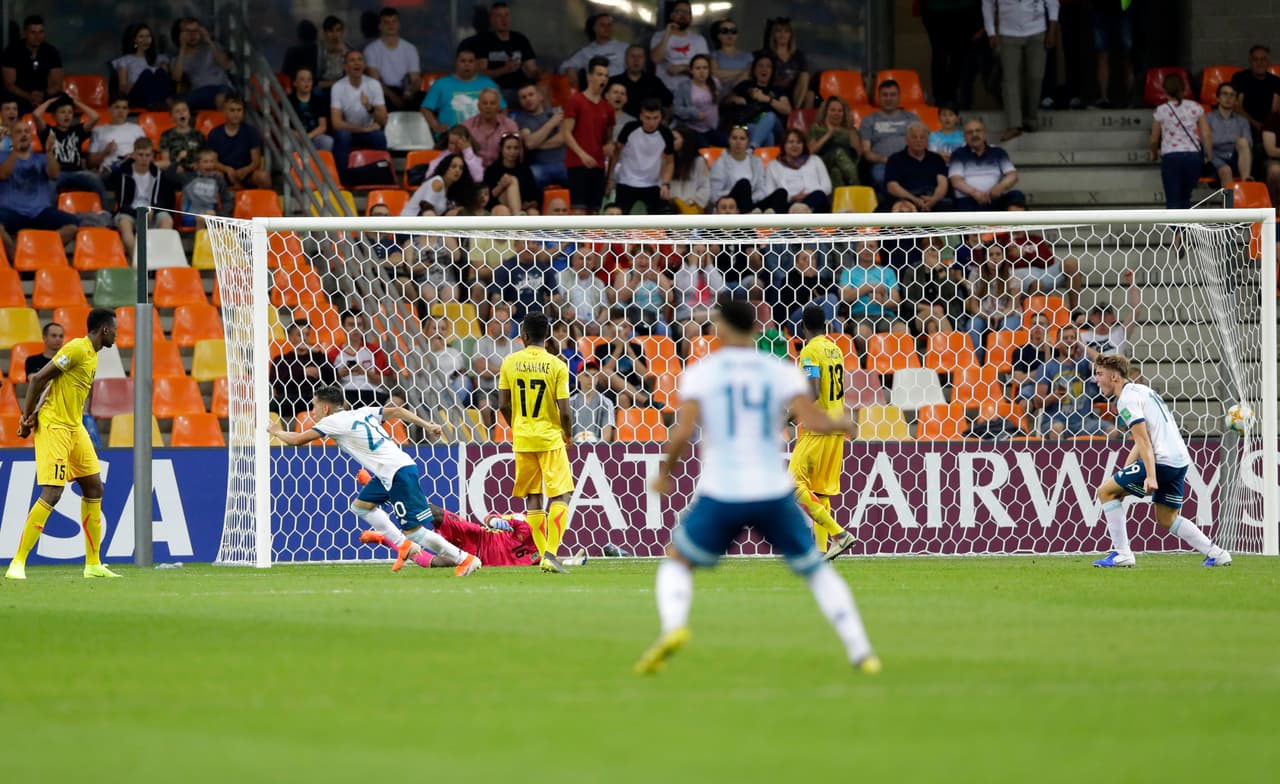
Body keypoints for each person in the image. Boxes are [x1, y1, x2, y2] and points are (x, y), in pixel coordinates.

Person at [634, 296, 878, 675]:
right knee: (816, 571)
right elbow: (814, 417)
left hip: (723, 490)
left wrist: (665, 472)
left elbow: (682, 432)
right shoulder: (778, 370)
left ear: (723, 328)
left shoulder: (703, 372)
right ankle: (862, 651)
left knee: (677, 561)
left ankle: (674, 627)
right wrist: (840, 424)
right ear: (754, 328)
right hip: (771, 489)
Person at [266, 385, 482, 576]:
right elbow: (397, 410)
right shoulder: (364, 412)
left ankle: (465, 559)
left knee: (415, 531)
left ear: (325, 408)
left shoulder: (332, 421)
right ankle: (404, 546)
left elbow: (296, 440)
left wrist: (277, 431)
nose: (311, 411)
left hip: (396, 472)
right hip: (389, 472)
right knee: (361, 507)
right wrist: (427, 425)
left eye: (313, 406)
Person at [6, 308, 120, 581]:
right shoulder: (78, 349)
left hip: (74, 426)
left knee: (94, 486)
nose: (117, 334)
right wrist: (26, 417)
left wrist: (36, 408)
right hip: (55, 426)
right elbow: (38, 378)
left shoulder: (91, 355)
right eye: (114, 329)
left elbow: (53, 382)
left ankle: (93, 565)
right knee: (53, 492)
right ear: (104, 329)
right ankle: (17, 562)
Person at [1090, 354, 1232, 569]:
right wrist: (1130, 468)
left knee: (1106, 492)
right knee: (1167, 518)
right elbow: (1144, 435)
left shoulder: (1126, 399)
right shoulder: (1143, 391)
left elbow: (1144, 441)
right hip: (1179, 459)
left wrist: (1150, 475)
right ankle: (1217, 553)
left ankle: (1122, 553)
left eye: (1100, 374)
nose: (1096, 379)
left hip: (1161, 461)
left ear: (1114, 377)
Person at [497, 312, 574, 574]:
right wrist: (568, 433)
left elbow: (503, 405)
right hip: (551, 437)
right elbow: (564, 410)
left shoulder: (509, 362)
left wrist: (516, 426)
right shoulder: (557, 366)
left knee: (533, 497)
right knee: (561, 494)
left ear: (524, 336)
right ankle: (551, 553)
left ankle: (542, 555)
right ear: (546, 336)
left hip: (523, 438)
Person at [788, 305, 857, 560]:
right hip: (836, 427)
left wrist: (787, 416)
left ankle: (839, 534)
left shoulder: (809, 351)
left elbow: (813, 391)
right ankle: (820, 551)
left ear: (803, 326)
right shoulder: (835, 349)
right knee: (818, 492)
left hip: (816, 427)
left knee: (793, 484)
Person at [359, 504, 544, 568]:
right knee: (434, 512)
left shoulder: (541, 556)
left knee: (433, 563)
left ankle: (385, 539)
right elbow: (490, 517)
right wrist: (494, 521)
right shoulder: (525, 524)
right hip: (474, 536)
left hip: (479, 560)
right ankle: (387, 496)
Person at [982, 0, 1059, 141]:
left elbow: (1053, 3)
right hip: (1008, 33)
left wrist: (1052, 29)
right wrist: (991, 32)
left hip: (1037, 31)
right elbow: (987, 4)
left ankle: (1030, 118)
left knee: (1035, 76)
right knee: (1010, 80)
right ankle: (1014, 125)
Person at [0, 124, 78, 249]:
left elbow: (54, 175)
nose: (24, 134)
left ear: (31, 137)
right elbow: (4, 174)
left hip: (40, 211)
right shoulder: (2, 156)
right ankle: (14, 256)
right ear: (11, 137)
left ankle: (39, 251)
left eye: (27, 131)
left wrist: (48, 152)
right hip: (11, 211)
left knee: (72, 224)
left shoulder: (41, 158)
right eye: (19, 132)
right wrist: (15, 151)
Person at [1149, 73, 1209, 211]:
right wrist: (1208, 154)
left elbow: (1154, 139)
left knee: (1173, 198)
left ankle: (1177, 231)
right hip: (1193, 156)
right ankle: (1185, 229)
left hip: (1171, 156)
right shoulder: (1196, 107)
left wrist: (1154, 154)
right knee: (1186, 197)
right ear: (1184, 88)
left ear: (1164, 90)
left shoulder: (1161, 110)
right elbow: (1206, 134)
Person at [420, 44, 502, 146]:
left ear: (476, 63)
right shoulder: (441, 84)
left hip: (483, 138)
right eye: (463, 61)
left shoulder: (488, 84)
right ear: (456, 63)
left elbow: (503, 108)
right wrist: (436, 126)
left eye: (470, 61)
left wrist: (495, 129)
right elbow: (425, 108)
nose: (467, 64)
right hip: (450, 138)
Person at [562, 56, 615, 213]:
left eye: (606, 75)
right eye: (599, 74)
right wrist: (582, 154)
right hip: (578, 163)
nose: (603, 79)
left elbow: (609, 138)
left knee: (594, 211)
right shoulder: (576, 101)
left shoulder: (608, 108)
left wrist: (610, 146)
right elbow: (566, 132)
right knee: (579, 211)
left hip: (598, 164)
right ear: (589, 76)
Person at [32, 94, 106, 203]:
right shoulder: (48, 131)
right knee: (48, 186)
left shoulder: (77, 131)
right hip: (56, 174)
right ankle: (50, 214)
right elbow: (36, 115)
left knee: (95, 179)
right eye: (62, 112)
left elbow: (95, 117)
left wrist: (75, 102)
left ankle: (104, 212)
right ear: (54, 116)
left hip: (77, 172)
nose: (67, 115)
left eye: (70, 112)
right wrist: (50, 101)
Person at [111, 137, 177, 257]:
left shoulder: (158, 174)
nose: (144, 159)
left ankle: (156, 259)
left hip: (151, 212)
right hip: (130, 212)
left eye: (147, 155)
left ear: (152, 156)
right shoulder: (124, 173)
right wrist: (140, 213)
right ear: (134, 155)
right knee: (125, 224)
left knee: (166, 220)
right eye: (140, 155)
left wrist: (153, 210)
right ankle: (138, 262)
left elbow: (162, 201)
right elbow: (122, 204)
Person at [609, 98, 676, 215]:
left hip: (652, 184)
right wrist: (610, 178)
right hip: (626, 181)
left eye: (655, 118)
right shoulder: (630, 128)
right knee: (618, 217)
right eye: (648, 118)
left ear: (661, 117)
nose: (651, 122)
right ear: (641, 116)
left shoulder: (666, 134)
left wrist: (665, 184)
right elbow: (616, 153)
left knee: (664, 217)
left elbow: (670, 162)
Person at [329, 50, 389, 176]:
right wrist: (363, 129)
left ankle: (381, 176)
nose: (357, 63)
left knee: (379, 136)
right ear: (345, 67)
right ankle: (343, 178)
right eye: (352, 60)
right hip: (349, 131)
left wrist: (369, 107)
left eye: (360, 59)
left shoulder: (374, 85)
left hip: (368, 132)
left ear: (364, 65)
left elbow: (383, 120)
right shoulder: (338, 87)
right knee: (342, 135)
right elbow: (336, 123)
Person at [468, 2, 540, 101]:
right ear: (492, 20)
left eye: (507, 15)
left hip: (523, 88)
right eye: (499, 16)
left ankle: (550, 115)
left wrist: (537, 74)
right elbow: (481, 73)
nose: (504, 19)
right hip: (499, 89)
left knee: (541, 90)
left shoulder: (520, 39)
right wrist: (505, 69)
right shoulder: (484, 41)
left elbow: (532, 69)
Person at [949, 117, 1024, 210]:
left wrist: (1000, 187)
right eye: (970, 132)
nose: (974, 134)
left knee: (1016, 195)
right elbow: (956, 181)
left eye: (978, 131)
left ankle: (1014, 225)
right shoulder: (958, 154)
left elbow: (1012, 175)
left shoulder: (998, 152)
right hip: (968, 200)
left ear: (984, 134)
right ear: (964, 137)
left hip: (995, 198)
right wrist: (975, 193)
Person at [860, 79, 920, 191]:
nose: (889, 98)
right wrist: (888, 160)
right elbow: (867, 153)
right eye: (885, 95)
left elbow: (921, 144)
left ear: (899, 97)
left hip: (910, 161)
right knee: (881, 178)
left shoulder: (911, 118)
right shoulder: (869, 120)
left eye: (893, 95)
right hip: (882, 164)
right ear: (879, 97)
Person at [271, 324, 337, 423]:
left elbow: (334, 377)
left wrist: (319, 353)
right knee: (272, 404)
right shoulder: (281, 359)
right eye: (300, 335)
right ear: (291, 338)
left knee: (335, 402)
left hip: (313, 397)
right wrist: (303, 372)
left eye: (307, 335)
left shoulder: (317, 357)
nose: (304, 338)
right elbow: (275, 381)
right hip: (289, 397)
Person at [206, 96, 272, 189]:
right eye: (232, 110)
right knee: (214, 176)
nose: (236, 114)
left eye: (239, 110)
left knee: (263, 176)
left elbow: (256, 161)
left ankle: (265, 203)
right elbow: (213, 161)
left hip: (246, 175)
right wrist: (227, 169)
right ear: (224, 112)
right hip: (225, 174)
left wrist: (246, 170)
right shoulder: (215, 133)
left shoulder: (251, 132)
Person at [726, 53, 790, 149]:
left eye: (768, 66)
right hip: (748, 126)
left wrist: (767, 99)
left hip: (776, 128)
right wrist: (735, 99)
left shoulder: (777, 89)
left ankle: (752, 148)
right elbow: (726, 100)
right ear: (754, 69)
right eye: (760, 66)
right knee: (768, 136)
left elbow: (787, 109)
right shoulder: (745, 85)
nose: (764, 69)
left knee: (770, 116)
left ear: (772, 71)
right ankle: (763, 159)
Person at [1, 15, 63, 113]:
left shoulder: (51, 51)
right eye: (33, 32)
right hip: (19, 96)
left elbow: (57, 84)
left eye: (41, 32)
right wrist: (28, 96)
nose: (37, 37)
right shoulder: (12, 51)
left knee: (64, 102)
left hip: (44, 96)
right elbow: (9, 85)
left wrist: (43, 95)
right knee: (7, 100)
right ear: (25, 33)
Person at [362, 7, 421, 110]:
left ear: (399, 25)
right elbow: (375, 81)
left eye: (394, 21)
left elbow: (415, 79)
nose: (391, 25)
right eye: (386, 22)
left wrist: (409, 93)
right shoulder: (371, 50)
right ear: (380, 26)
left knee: (423, 100)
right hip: (383, 91)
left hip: (405, 90)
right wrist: (394, 98)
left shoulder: (410, 48)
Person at [761, 128, 831, 213]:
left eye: (799, 142)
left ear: (803, 145)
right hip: (788, 203)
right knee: (779, 195)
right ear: (784, 145)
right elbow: (769, 192)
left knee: (819, 194)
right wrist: (792, 197)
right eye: (791, 142)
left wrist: (808, 194)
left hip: (812, 202)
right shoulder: (773, 165)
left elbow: (827, 187)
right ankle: (798, 213)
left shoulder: (815, 160)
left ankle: (801, 211)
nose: (795, 145)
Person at [329, 312, 392, 407]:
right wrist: (339, 374)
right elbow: (327, 382)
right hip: (347, 393)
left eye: (359, 325)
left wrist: (365, 372)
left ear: (363, 328)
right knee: (340, 405)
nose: (355, 329)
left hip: (372, 393)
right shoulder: (333, 354)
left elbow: (383, 381)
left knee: (396, 402)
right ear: (343, 327)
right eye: (351, 325)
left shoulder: (375, 351)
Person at [170, 17, 234, 111]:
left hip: (220, 88)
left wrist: (208, 40)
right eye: (187, 31)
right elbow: (176, 77)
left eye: (196, 31)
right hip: (199, 92)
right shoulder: (178, 57)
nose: (192, 35)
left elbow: (226, 65)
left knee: (222, 98)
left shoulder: (212, 47)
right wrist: (182, 48)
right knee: (173, 102)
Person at [885, 122, 950, 211]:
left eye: (922, 137)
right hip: (906, 198)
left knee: (949, 206)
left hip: (932, 198)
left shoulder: (937, 159)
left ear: (927, 140)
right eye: (914, 137)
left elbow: (943, 184)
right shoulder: (895, 159)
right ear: (907, 140)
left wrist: (933, 200)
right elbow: (892, 187)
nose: (918, 140)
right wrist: (915, 200)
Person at [514, 81, 567, 190]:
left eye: (531, 95)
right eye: (523, 97)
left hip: (562, 163)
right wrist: (551, 123)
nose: (528, 99)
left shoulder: (555, 112)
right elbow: (529, 143)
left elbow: (562, 138)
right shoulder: (520, 119)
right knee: (534, 175)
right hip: (537, 166)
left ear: (540, 96)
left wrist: (537, 144)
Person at [649, 0, 708, 92]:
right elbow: (656, 59)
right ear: (671, 15)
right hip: (665, 90)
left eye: (687, 12)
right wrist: (668, 34)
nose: (683, 15)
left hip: (693, 91)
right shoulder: (659, 36)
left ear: (691, 18)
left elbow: (704, 69)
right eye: (679, 11)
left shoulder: (699, 39)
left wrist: (683, 68)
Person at [710, 124, 770, 212]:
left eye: (742, 138)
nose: (738, 142)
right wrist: (739, 195)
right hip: (730, 205)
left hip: (752, 202)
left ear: (748, 142)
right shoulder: (720, 162)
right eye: (734, 138)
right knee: (744, 183)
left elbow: (761, 189)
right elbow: (715, 195)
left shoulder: (756, 161)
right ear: (729, 140)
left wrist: (749, 198)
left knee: (781, 193)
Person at [561, 12, 629, 87]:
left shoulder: (624, 47)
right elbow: (565, 65)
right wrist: (571, 70)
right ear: (594, 28)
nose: (606, 28)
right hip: (596, 91)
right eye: (602, 25)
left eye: (609, 25)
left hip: (619, 89)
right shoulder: (586, 51)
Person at [807, 96, 861, 190]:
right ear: (825, 112)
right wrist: (829, 134)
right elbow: (811, 151)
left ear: (844, 113)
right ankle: (857, 188)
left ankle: (837, 203)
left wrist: (851, 129)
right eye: (832, 110)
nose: (836, 113)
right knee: (838, 152)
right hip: (823, 162)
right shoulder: (817, 128)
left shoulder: (850, 130)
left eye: (840, 111)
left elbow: (858, 153)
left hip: (846, 164)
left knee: (836, 172)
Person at [1205, 83, 1252, 188]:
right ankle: (1229, 204)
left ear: (1236, 100)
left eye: (1232, 95)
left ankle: (1246, 182)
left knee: (1243, 142)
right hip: (1215, 158)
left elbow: (1249, 143)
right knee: (1226, 170)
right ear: (1218, 98)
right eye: (1225, 94)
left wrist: (1220, 140)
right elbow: (1206, 142)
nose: (1228, 98)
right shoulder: (1207, 119)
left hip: (1237, 158)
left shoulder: (1242, 121)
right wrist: (1232, 139)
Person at [114, 23, 171, 110]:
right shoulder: (125, 60)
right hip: (136, 96)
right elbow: (123, 89)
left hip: (159, 97)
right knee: (147, 74)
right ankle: (152, 104)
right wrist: (139, 80)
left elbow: (167, 83)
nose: (145, 40)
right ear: (135, 40)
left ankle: (159, 105)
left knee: (159, 72)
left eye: (148, 37)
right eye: (141, 37)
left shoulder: (160, 59)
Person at [1228, 45, 1280, 140]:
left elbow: (1275, 110)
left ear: (1268, 62)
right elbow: (1235, 106)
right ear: (1250, 62)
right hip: (1244, 122)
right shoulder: (1240, 78)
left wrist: (1266, 128)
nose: (1259, 63)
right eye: (1255, 59)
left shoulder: (1276, 81)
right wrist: (1255, 124)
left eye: (1263, 59)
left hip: (1268, 126)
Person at [671, 54, 723, 147]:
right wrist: (693, 112)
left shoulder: (715, 82)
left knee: (726, 144)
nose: (702, 71)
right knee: (704, 149)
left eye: (705, 68)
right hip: (694, 128)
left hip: (713, 127)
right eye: (698, 68)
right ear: (691, 70)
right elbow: (676, 109)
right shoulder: (684, 86)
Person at [759, 16, 811, 110]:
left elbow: (804, 79)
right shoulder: (766, 54)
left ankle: (795, 113)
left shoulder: (798, 56)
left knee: (809, 92)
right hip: (771, 93)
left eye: (786, 31)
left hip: (792, 95)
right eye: (778, 31)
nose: (782, 34)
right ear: (773, 34)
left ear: (791, 35)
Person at [607, 44, 673, 118]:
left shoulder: (654, 82)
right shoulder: (614, 82)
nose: (636, 60)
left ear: (645, 60)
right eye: (632, 56)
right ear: (625, 60)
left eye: (640, 57)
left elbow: (669, 102)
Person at [87, 95, 147, 176]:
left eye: (124, 108)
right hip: (108, 171)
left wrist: (134, 155)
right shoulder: (98, 130)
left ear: (128, 111)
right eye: (117, 107)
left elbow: (147, 154)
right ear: (109, 110)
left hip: (132, 169)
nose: (121, 111)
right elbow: (90, 164)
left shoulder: (137, 129)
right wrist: (105, 152)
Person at [1090, 0, 1133, 109]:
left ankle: (1129, 99)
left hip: (1124, 11)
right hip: (1099, 10)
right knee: (1102, 54)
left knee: (1127, 54)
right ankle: (1103, 98)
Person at [461, 87, 519, 167]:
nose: (488, 106)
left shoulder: (510, 126)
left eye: (492, 103)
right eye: (485, 103)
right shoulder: (466, 127)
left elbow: (518, 155)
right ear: (478, 106)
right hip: (474, 173)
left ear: (498, 107)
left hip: (502, 171)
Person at [484, 133, 538, 214]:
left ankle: (518, 215)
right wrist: (501, 186)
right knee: (512, 180)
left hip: (522, 206)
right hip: (499, 205)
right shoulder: (492, 169)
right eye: (508, 148)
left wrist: (530, 204)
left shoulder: (524, 169)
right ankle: (517, 219)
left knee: (533, 213)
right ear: (501, 149)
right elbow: (488, 198)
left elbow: (535, 195)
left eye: (516, 148)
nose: (512, 151)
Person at [180, 148, 234, 227]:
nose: (209, 165)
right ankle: (199, 239)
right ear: (197, 164)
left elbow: (227, 201)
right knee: (202, 218)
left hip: (211, 213)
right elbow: (169, 175)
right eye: (205, 162)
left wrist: (219, 214)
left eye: (211, 161)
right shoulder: (188, 177)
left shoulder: (218, 179)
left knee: (217, 219)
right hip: (191, 213)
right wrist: (179, 160)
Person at [157, 100, 205, 181]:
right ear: (172, 117)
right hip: (175, 171)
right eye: (177, 111)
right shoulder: (166, 135)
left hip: (195, 172)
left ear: (189, 114)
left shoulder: (198, 135)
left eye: (184, 110)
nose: (181, 113)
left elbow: (205, 156)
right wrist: (174, 166)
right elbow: (165, 160)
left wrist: (197, 164)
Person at [288, 68, 333, 153]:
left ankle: (320, 166)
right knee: (289, 144)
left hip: (313, 137)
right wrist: (298, 136)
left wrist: (308, 136)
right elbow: (284, 126)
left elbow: (323, 126)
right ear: (295, 83)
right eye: (302, 79)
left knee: (327, 141)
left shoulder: (319, 100)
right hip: (296, 138)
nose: (307, 82)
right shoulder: (288, 101)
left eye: (309, 79)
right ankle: (293, 166)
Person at [667, 126, 710, 214]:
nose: (670, 142)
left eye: (674, 139)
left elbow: (705, 187)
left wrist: (692, 202)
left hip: (691, 208)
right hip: (671, 209)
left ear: (685, 140)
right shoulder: (667, 160)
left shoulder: (699, 161)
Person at [708, 19, 751, 91]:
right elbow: (715, 74)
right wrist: (743, 71)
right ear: (718, 35)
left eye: (733, 31)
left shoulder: (748, 55)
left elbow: (752, 74)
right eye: (725, 31)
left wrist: (727, 77)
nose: (729, 34)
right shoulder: (713, 55)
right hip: (723, 96)